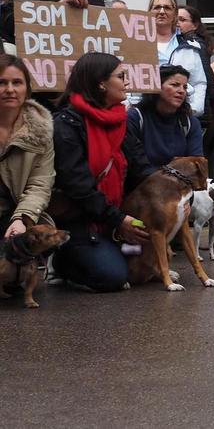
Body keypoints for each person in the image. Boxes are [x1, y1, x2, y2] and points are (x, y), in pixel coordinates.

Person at [48, 52, 155, 293]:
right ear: (101, 83)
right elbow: (79, 187)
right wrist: (119, 220)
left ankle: (110, 248)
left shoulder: (120, 119)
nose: (127, 81)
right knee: (113, 277)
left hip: (115, 215)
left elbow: (142, 168)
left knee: (151, 251)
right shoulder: (66, 125)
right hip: (81, 220)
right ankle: (62, 261)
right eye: (121, 76)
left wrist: (174, 192)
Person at [0, 56, 55, 241]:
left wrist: (22, 218)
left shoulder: (41, 132)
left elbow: (39, 184)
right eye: (2, 82)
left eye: (17, 82)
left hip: (16, 212)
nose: (9, 90)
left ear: (27, 89)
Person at [126, 65, 203, 167]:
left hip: (181, 181)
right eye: (175, 85)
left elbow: (196, 163)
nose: (182, 91)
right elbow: (133, 162)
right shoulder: (135, 118)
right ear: (157, 87)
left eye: (185, 87)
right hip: (143, 180)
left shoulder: (190, 123)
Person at [147, 0, 208, 118]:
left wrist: (194, 109)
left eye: (167, 7)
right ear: (149, 12)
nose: (162, 11)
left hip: (180, 114)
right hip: (146, 112)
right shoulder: (137, 44)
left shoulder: (189, 46)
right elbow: (127, 78)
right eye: (157, 7)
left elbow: (199, 82)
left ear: (175, 14)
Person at [176, 5, 214, 124]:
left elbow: (209, 83)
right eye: (175, 20)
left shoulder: (194, 46)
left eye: (182, 20)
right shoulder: (179, 43)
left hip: (195, 113)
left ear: (195, 25)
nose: (177, 23)